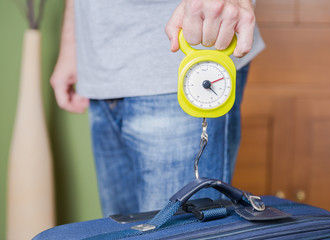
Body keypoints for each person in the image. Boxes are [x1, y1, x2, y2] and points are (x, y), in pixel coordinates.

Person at [51, 0, 265, 217]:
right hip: (100, 71)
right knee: (120, 228)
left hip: (178, 71)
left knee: (180, 229)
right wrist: (71, 45)